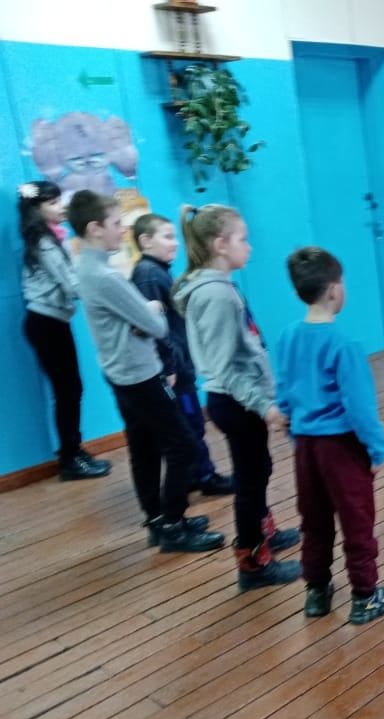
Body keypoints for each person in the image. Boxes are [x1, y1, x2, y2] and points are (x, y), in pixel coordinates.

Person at [69, 189, 222, 552]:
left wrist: (142, 312)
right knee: (182, 445)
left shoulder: (87, 268)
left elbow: (135, 319)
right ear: (94, 228)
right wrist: (152, 309)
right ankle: (173, 525)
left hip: (120, 372)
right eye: (116, 223)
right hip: (139, 374)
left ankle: (158, 520)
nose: (122, 229)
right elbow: (155, 325)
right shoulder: (105, 276)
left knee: (144, 448)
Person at [276, 246, 384, 623]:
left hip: (306, 447)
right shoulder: (344, 345)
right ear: (335, 290)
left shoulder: (288, 336)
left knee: (313, 520)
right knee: (356, 520)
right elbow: (360, 407)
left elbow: (283, 392)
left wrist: (295, 431)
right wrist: (377, 449)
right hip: (342, 448)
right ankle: (365, 596)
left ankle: (316, 592)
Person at [174, 204, 301, 591]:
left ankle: (265, 534)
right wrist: (265, 406)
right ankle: (253, 565)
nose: (249, 246)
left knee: (258, 471)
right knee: (250, 481)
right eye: (242, 239)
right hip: (237, 401)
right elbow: (226, 367)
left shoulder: (216, 287)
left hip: (236, 399)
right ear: (219, 245)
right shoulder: (217, 295)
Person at [131, 213, 234, 496]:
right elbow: (155, 327)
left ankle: (192, 474)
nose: (174, 243)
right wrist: (169, 366)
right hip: (175, 371)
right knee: (191, 424)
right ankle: (205, 476)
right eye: (167, 237)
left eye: (174, 236)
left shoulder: (157, 271)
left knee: (189, 423)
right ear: (145, 241)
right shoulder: (149, 275)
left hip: (179, 364)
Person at [18, 180, 110, 480]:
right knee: (68, 390)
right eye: (53, 203)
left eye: (60, 201)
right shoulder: (44, 243)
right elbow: (72, 284)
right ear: (36, 209)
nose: (61, 207)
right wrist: (108, 296)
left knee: (71, 389)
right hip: (46, 323)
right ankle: (70, 459)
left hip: (53, 322)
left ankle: (73, 450)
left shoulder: (53, 237)